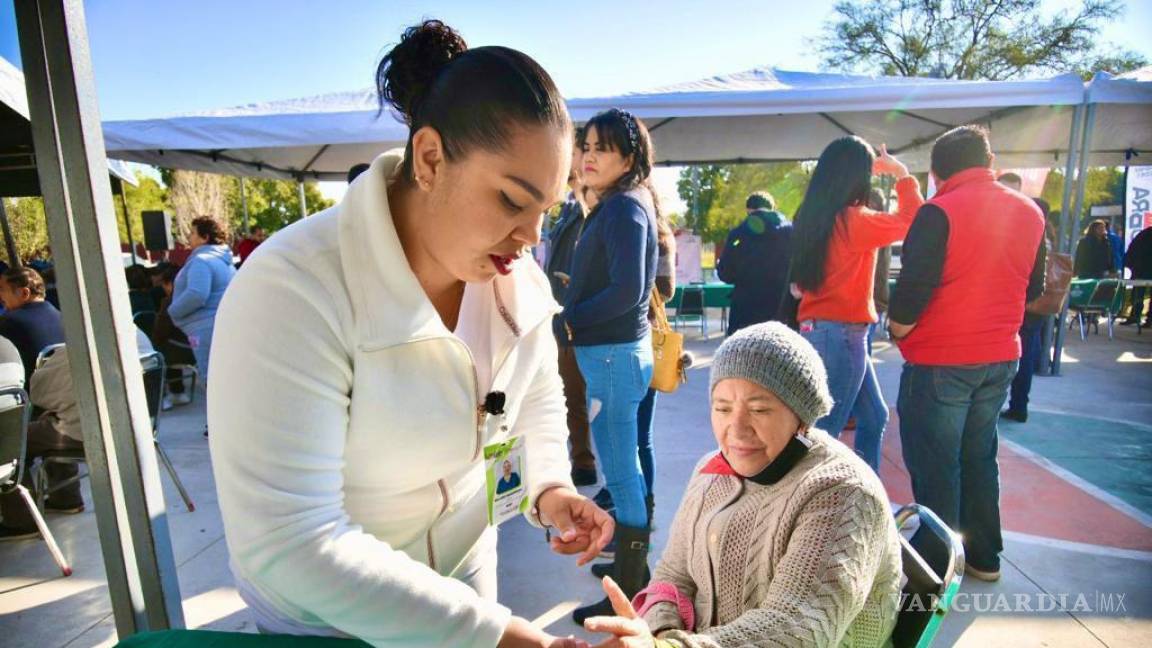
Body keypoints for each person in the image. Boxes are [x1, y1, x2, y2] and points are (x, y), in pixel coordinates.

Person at [208, 20, 609, 647]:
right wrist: (496, 636)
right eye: (510, 200)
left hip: (467, 582)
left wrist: (551, 487)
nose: (531, 238)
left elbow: (533, 395)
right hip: (329, 622)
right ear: (429, 158)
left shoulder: (513, 275)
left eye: (545, 212)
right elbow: (293, 539)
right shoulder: (294, 289)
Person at [583, 322, 902, 647]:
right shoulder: (711, 471)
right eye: (722, 408)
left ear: (802, 417)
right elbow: (673, 575)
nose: (735, 429)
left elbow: (799, 627)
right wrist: (663, 632)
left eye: (759, 409)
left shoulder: (842, 492)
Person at [889, 125, 1046, 583]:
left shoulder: (939, 211)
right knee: (980, 455)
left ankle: (938, 567)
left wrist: (898, 329)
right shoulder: (1029, 212)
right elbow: (1033, 287)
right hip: (1002, 356)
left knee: (937, 462)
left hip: (941, 360)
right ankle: (984, 556)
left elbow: (912, 292)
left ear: (937, 171)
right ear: (988, 162)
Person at [563, 108, 658, 624]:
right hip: (614, 356)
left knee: (622, 476)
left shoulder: (623, 209)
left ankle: (631, 587)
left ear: (629, 156)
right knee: (627, 472)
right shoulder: (620, 205)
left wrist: (570, 321)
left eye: (602, 148)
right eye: (587, 146)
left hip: (613, 358)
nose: (589, 156)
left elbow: (627, 291)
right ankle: (632, 579)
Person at [788, 137, 923, 473]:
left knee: (873, 416)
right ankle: (811, 510)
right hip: (842, 334)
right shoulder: (854, 220)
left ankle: (863, 493)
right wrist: (902, 174)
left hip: (824, 330)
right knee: (823, 435)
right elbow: (914, 220)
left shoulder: (813, 216)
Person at [0, 329, 153, 539]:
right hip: (133, 427)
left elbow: (38, 395)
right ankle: (65, 498)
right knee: (54, 419)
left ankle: (22, 520)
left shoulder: (76, 351)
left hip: (86, 432)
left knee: (17, 439)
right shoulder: (135, 336)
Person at [546, 130, 596, 487]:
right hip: (563, 313)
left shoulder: (595, 207)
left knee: (577, 396)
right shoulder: (567, 208)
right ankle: (580, 460)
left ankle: (585, 462)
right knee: (568, 395)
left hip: (580, 316)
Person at [997, 172, 1052, 424]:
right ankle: (1018, 405)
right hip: (1023, 303)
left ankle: (1016, 404)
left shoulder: (1019, 222)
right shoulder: (1032, 220)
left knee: (1018, 354)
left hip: (1019, 303)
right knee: (1023, 353)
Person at [168, 215, 237, 383]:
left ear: (205, 237)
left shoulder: (201, 261)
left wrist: (173, 311)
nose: (189, 237)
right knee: (225, 378)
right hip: (222, 324)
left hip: (203, 328)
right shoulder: (225, 261)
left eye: (193, 233)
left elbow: (197, 294)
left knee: (211, 378)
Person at [716, 192, 791, 335]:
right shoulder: (790, 232)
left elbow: (725, 273)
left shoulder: (737, 235)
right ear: (772, 208)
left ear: (749, 210)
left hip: (745, 312)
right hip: (780, 311)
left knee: (743, 356)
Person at [0, 267, 66, 386]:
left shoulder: (9, 323)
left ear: (25, 293)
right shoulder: (63, 318)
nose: (0, 296)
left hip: (33, 395)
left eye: (2, 289)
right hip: (65, 391)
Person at [153, 264, 196, 409]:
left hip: (180, 352)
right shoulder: (196, 298)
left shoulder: (170, 303)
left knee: (156, 352)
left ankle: (161, 398)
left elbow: (160, 332)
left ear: (170, 284)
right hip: (197, 348)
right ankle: (178, 391)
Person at [1122, 226, 1152, 326]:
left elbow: (1133, 249)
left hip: (1140, 270)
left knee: (1137, 294)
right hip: (1141, 269)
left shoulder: (1144, 233)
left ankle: (1135, 316)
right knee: (1138, 294)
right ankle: (1149, 319)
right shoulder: (1145, 234)